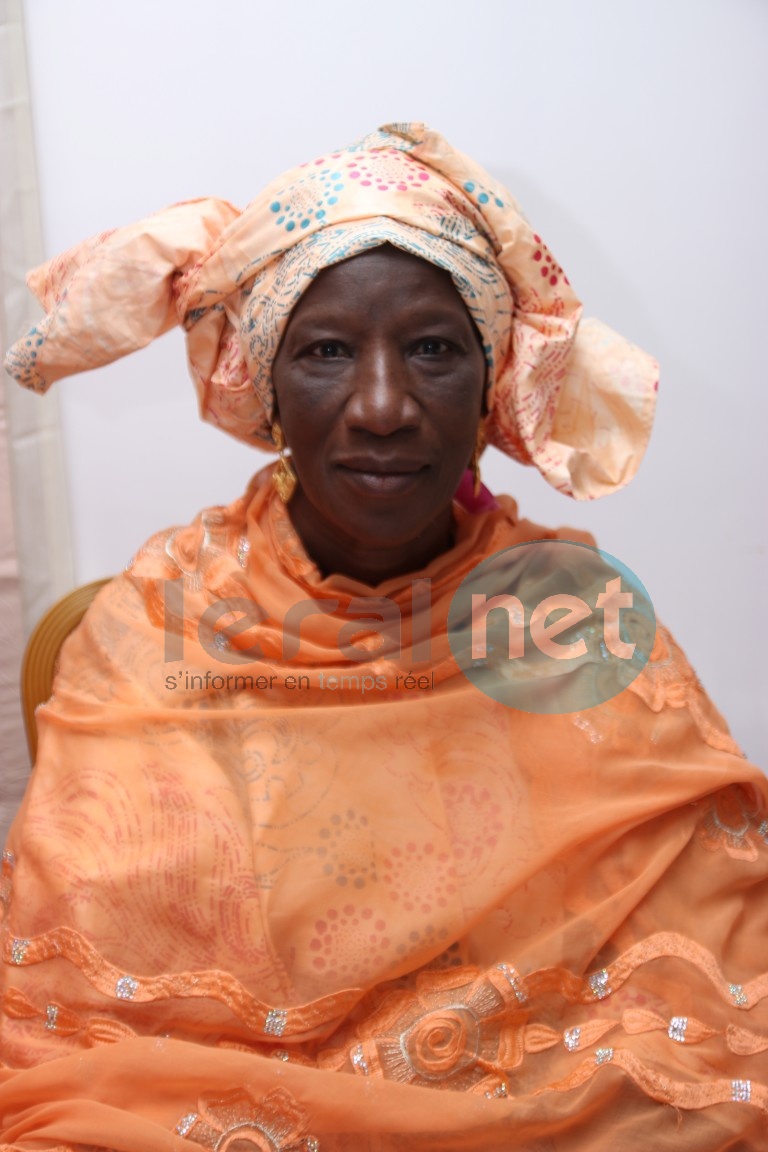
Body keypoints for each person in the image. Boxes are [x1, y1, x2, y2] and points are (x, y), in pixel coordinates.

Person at [1, 123, 766, 1151]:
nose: (382, 406)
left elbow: (709, 968)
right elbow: (86, 997)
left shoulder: (572, 617)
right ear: (264, 386)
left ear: (490, 386)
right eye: (324, 352)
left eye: (434, 350)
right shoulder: (156, 618)